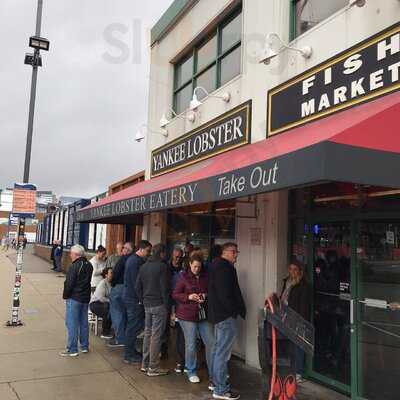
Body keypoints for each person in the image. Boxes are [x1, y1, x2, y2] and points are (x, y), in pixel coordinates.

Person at [208, 242, 246, 400]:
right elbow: (225, 295)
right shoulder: (224, 268)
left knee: (217, 351)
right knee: (222, 353)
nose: (236, 255)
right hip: (225, 317)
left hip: (218, 316)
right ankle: (221, 389)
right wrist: (233, 311)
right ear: (225, 252)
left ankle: (216, 383)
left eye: (237, 252)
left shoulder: (214, 266)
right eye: (234, 251)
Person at [173, 254, 214, 384]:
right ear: (190, 264)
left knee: (211, 343)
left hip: (202, 314)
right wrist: (189, 297)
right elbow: (175, 294)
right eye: (195, 266)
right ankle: (191, 370)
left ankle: (214, 371)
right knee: (191, 344)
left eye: (199, 267)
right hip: (186, 315)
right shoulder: (182, 277)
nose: (197, 269)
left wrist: (204, 295)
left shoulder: (205, 277)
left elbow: (209, 291)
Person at [135, 243, 170, 377]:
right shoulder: (162, 267)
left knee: (148, 334)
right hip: (159, 305)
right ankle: (153, 367)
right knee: (156, 336)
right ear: (161, 253)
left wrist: (142, 299)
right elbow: (164, 289)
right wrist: (167, 306)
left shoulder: (144, 266)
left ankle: (145, 364)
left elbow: (137, 286)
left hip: (147, 304)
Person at [280, 260, 311, 383]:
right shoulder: (287, 282)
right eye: (290, 269)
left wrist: (301, 322)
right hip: (285, 316)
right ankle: (290, 368)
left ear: (300, 271)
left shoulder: (303, 286)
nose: (292, 272)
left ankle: (298, 372)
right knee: (288, 344)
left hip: (296, 318)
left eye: (295, 269)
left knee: (298, 345)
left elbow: (304, 306)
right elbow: (283, 297)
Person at [123, 240, 152, 364]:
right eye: (147, 251)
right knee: (133, 327)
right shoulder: (135, 262)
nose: (149, 254)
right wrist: (141, 300)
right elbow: (137, 284)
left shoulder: (132, 260)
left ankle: (131, 352)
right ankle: (129, 354)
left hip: (131, 298)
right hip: (134, 299)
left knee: (133, 326)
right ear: (141, 249)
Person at [60, 244, 93, 357]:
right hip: (84, 298)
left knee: (72, 323)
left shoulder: (74, 266)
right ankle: (84, 346)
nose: (70, 255)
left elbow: (69, 283)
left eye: (71, 253)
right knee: (83, 322)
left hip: (74, 298)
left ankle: (72, 348)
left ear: (76, 254)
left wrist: (65, 295)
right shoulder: (89, 265)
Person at [108, 242, 133, 347]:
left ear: (127, 250)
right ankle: (126, 337)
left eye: (124, 248)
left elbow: (116, 273)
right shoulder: (134, 260)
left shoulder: (123, 259)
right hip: (130, 290)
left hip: (119, 288)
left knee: (117, 314)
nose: (122, 250)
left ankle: (119, 339)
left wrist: (112, 283)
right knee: (126, 315)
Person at [165, 246, 186, 371]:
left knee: (178, 331)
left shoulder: (185, 269)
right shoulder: (166, 267)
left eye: (179, 257)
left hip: (179, 303)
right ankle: (164, 350)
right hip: (168, 301)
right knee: (165, 329)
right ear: (172, 255)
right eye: (176, 256)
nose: (177, 259)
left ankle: (180, 359)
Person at [90, 266, 113, 339]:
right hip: (95, 304)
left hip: (104, 303)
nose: (113, 274)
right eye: (111, 273)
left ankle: (108, 329)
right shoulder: (103, 283)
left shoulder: (111, 283)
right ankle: (105, 332)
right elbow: (101, 298)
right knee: (108, 310)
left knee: (111, 309)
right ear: (106, 275)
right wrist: (111, 301)